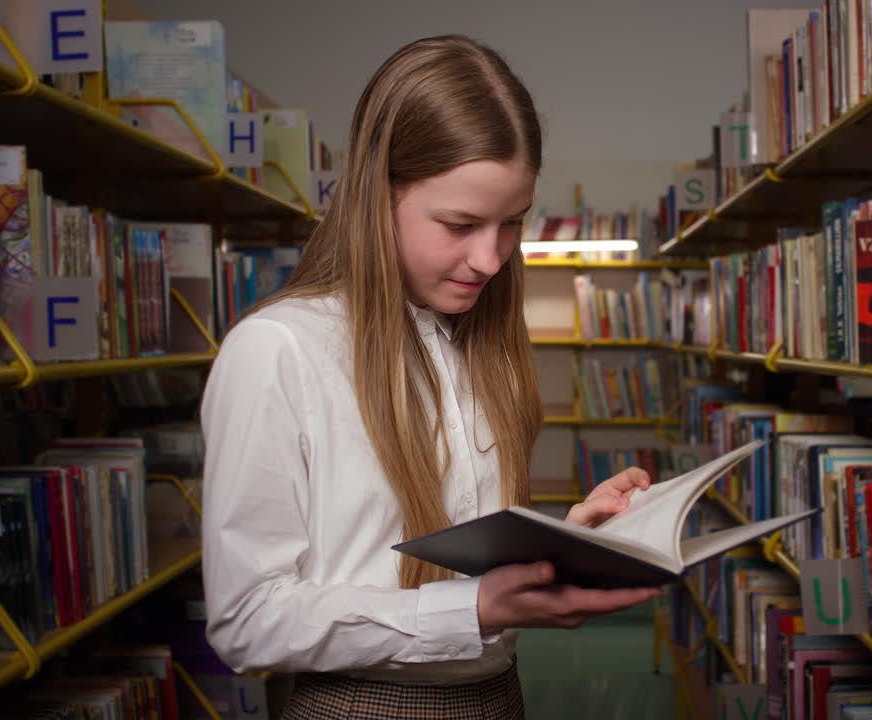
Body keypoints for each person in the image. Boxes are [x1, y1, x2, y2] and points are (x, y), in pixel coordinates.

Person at [200, 35, 661, 719]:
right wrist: (471, 609)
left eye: (511, 224)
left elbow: (449, 549)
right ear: (374, 194)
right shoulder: (278, 351)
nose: (490, 259)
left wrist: (560, 552)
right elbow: (246, 621)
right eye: (459, 223)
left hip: (501, 695)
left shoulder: (479, 337)